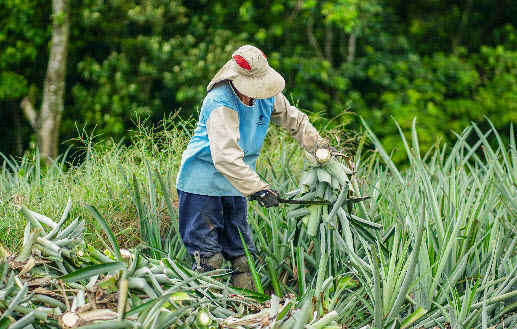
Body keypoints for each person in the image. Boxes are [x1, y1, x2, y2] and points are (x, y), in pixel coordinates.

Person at [175, 45, 335, 289]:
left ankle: (242, 313)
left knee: (243, 259)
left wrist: (319, 147)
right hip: (202, 183)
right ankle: (205, 314)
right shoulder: (220, 101)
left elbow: (295, 120)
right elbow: (225, 158)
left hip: (235, 185)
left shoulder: (267, 96)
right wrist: (259, 189)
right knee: (209, 259)